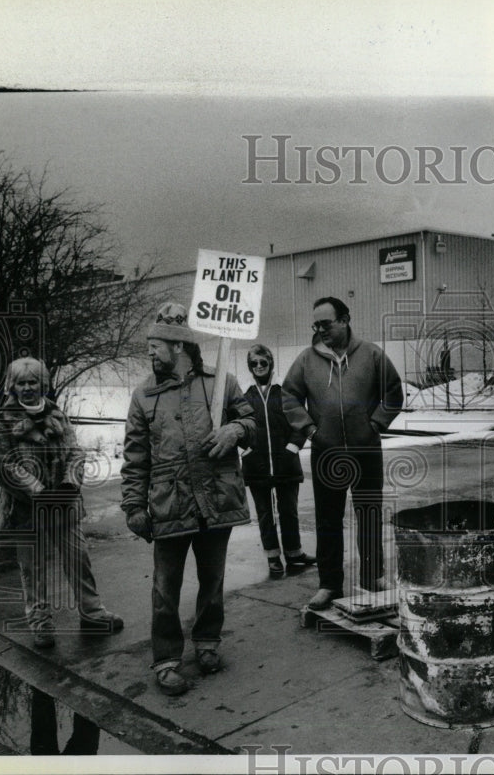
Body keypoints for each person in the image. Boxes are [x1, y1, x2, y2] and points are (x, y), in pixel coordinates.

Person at [120, 302, 256, 696]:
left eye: (155, 345)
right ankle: (166, 660)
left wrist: (234, 430)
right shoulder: (143, 396)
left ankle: (208, 643)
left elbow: (251, 423)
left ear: (179, 347)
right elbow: (134, 456)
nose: (150, 352)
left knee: (213, 580)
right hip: (169, 503)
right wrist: (133, 505)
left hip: (215, 497)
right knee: (165, 587)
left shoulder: (221, 383)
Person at [0, 357, 123, 650]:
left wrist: (68, 485)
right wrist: (38, 491)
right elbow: (5, 464)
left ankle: (92, 612)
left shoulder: (57, 414)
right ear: (12, 385)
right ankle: (40, 622)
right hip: (26, 509)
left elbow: (76, 453)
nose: (27, 388)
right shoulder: (2, 420)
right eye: (21, 383)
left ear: (43, 384)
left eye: (33, 382)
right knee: (32, 569)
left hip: (64, 503)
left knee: (79, 559)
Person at [281, 296, 403, 610]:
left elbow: (393, 391)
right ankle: (330, 584)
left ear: (345, 320)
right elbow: (289, 396)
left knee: (370, 516)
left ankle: (373, 576)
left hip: (366, 451)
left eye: (326, 323)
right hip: (327, 453)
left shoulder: (372, 354)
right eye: (316, 325)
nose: (320, 329)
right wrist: (310, 430)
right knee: (328, 521)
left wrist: (376, 424)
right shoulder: (306, 360)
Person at [241, 343, 315, 579]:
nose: (259, 367)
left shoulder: (284, 393)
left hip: (285, 464)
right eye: (254, 363)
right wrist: (247, 452)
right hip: (257, 467)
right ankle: (273, 558)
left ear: (271, 364)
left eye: (264, 362)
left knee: (288, 512)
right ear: (250, 367)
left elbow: (301, 423)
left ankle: (294, 555)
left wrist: (291, 449)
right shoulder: (244, 398)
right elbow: (235, 428)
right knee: (265, 514)